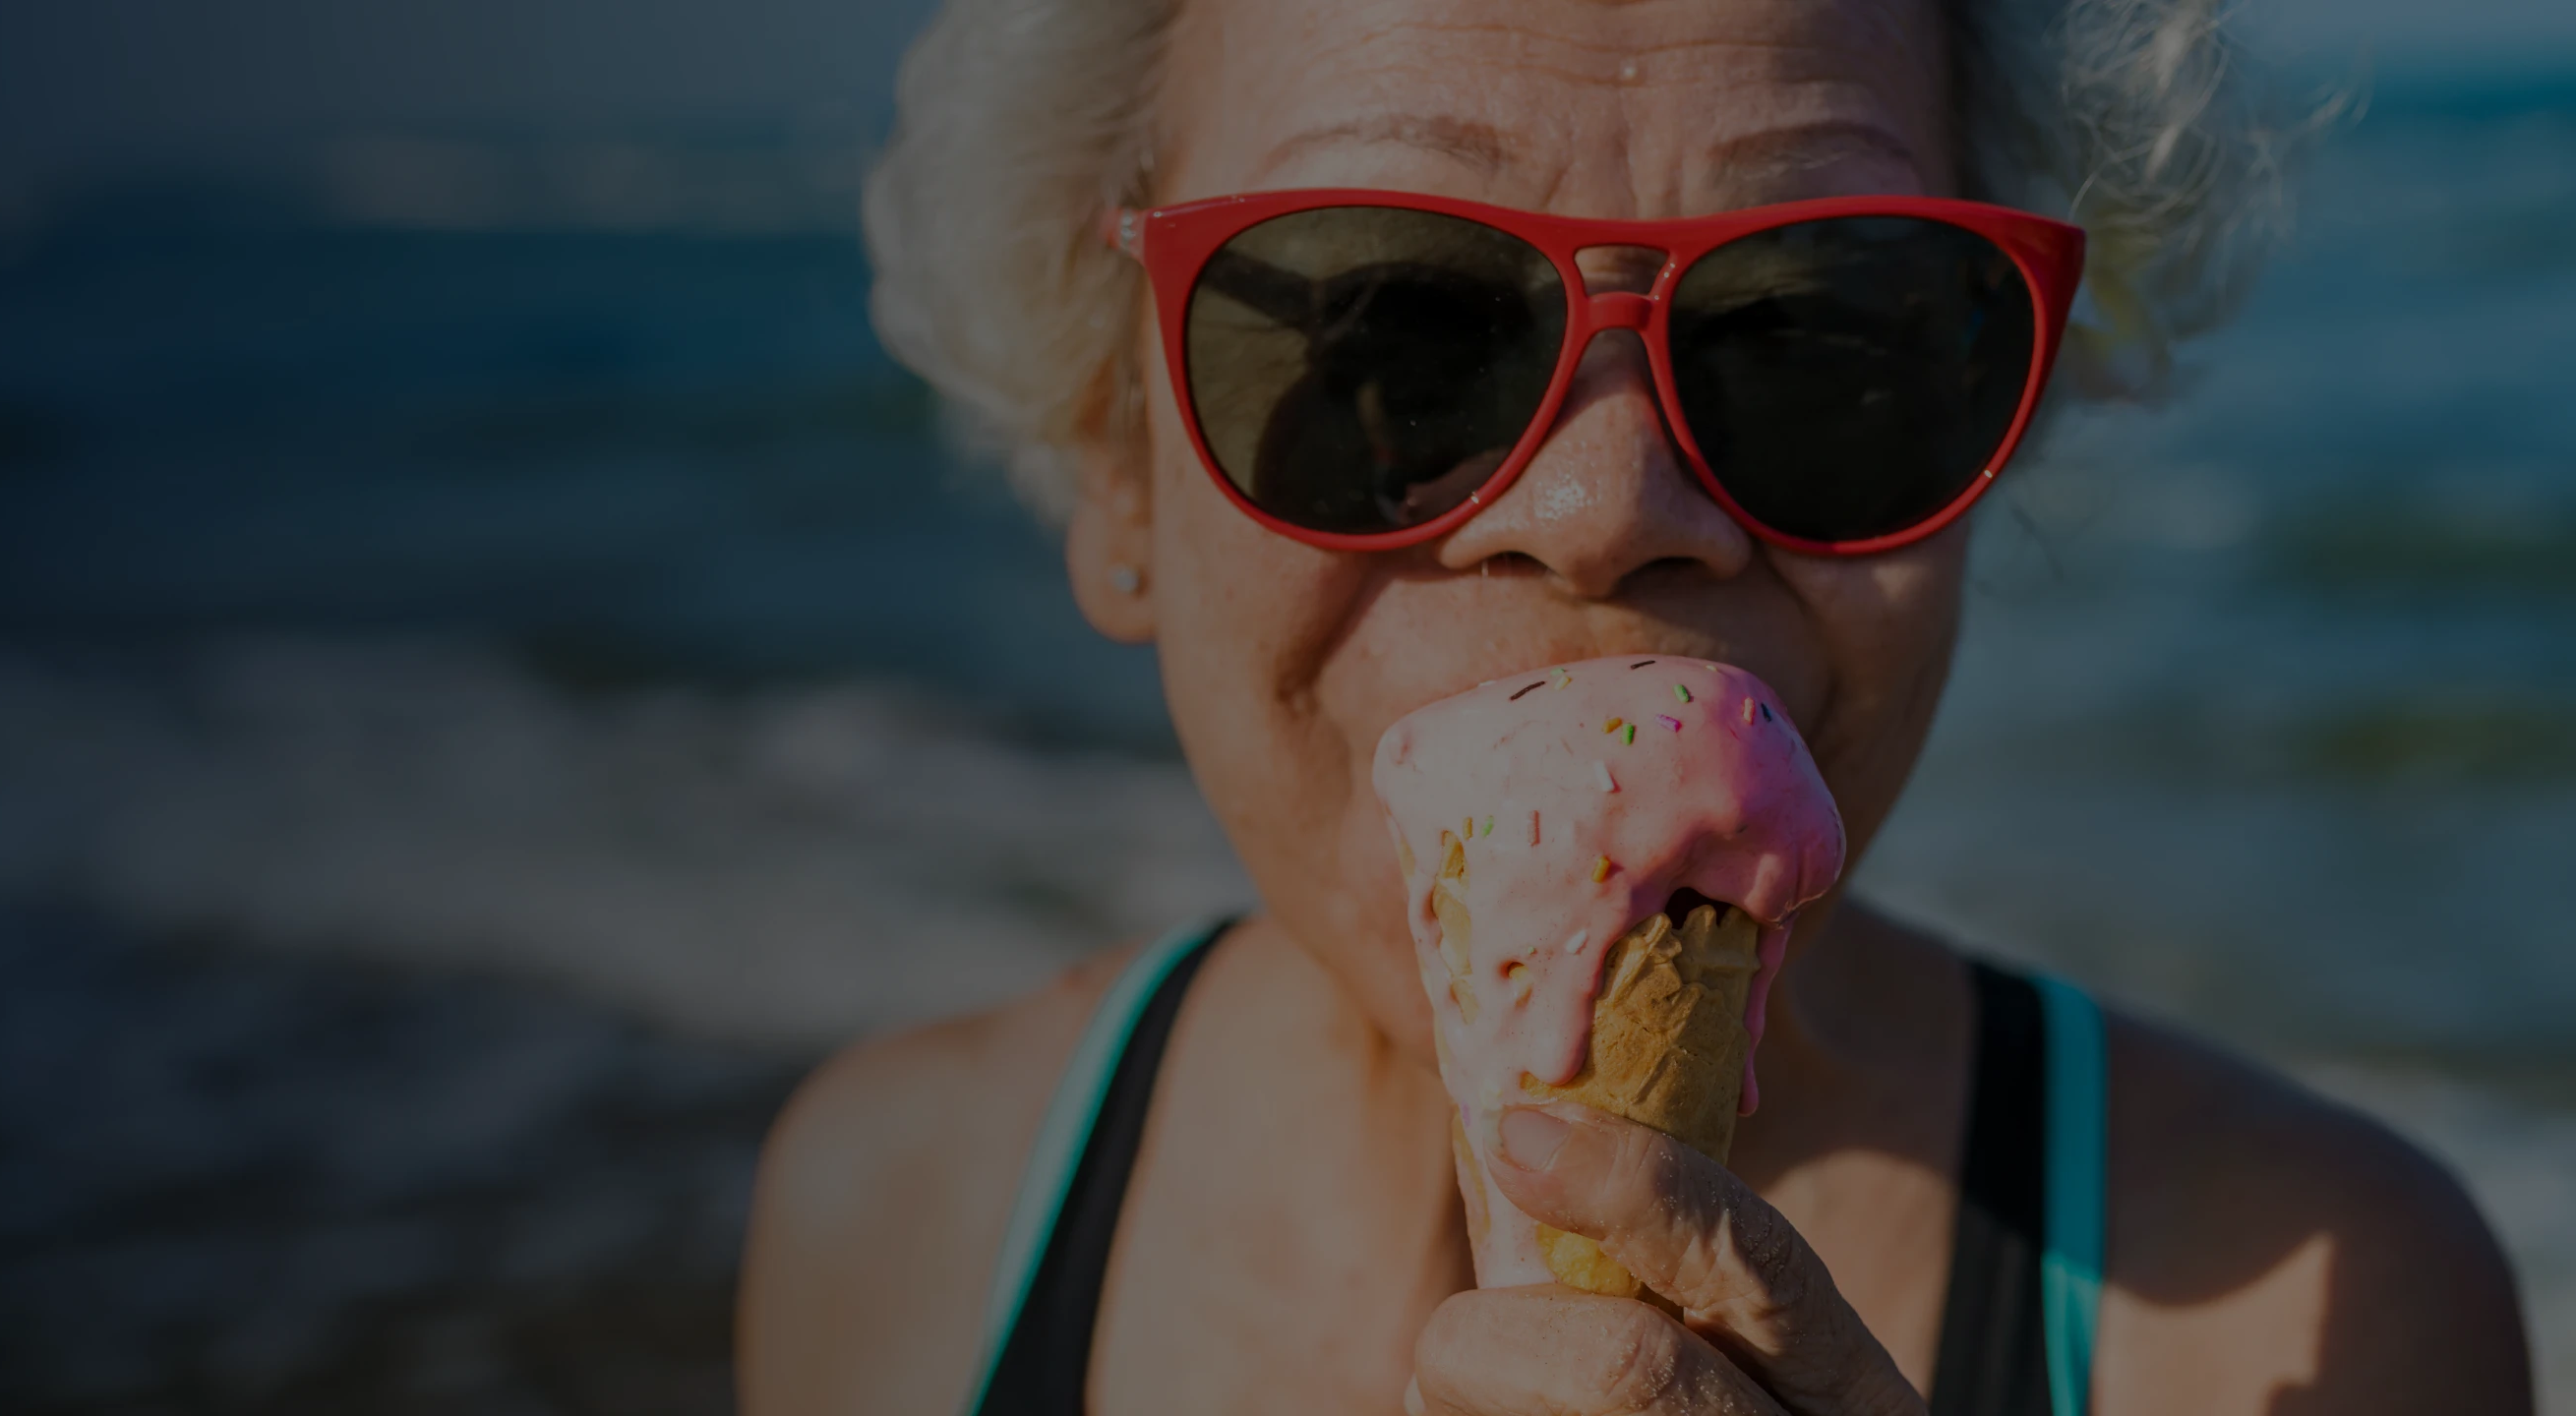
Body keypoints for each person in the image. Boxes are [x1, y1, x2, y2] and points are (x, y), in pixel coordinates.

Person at [740, 0, 2535, 1410]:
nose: (1608, 509)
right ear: (1113, 455)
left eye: (1822, 331)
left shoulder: (2315, 1313)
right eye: (1391, 335)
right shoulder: (899, 1214)